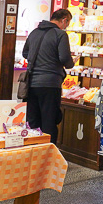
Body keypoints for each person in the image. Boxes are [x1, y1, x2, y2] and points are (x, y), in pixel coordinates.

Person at [22, 8, 75, 143]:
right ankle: (48, 156)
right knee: (49, 120)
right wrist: (71, 62)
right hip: (50, 83)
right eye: (67, 23)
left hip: (31, 83)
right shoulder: (60, 35)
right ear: (64, 20)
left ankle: (32, 152)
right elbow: (64, 59)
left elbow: (25, 54)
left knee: (33, 120)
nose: (66, 27)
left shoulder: (34, 33)